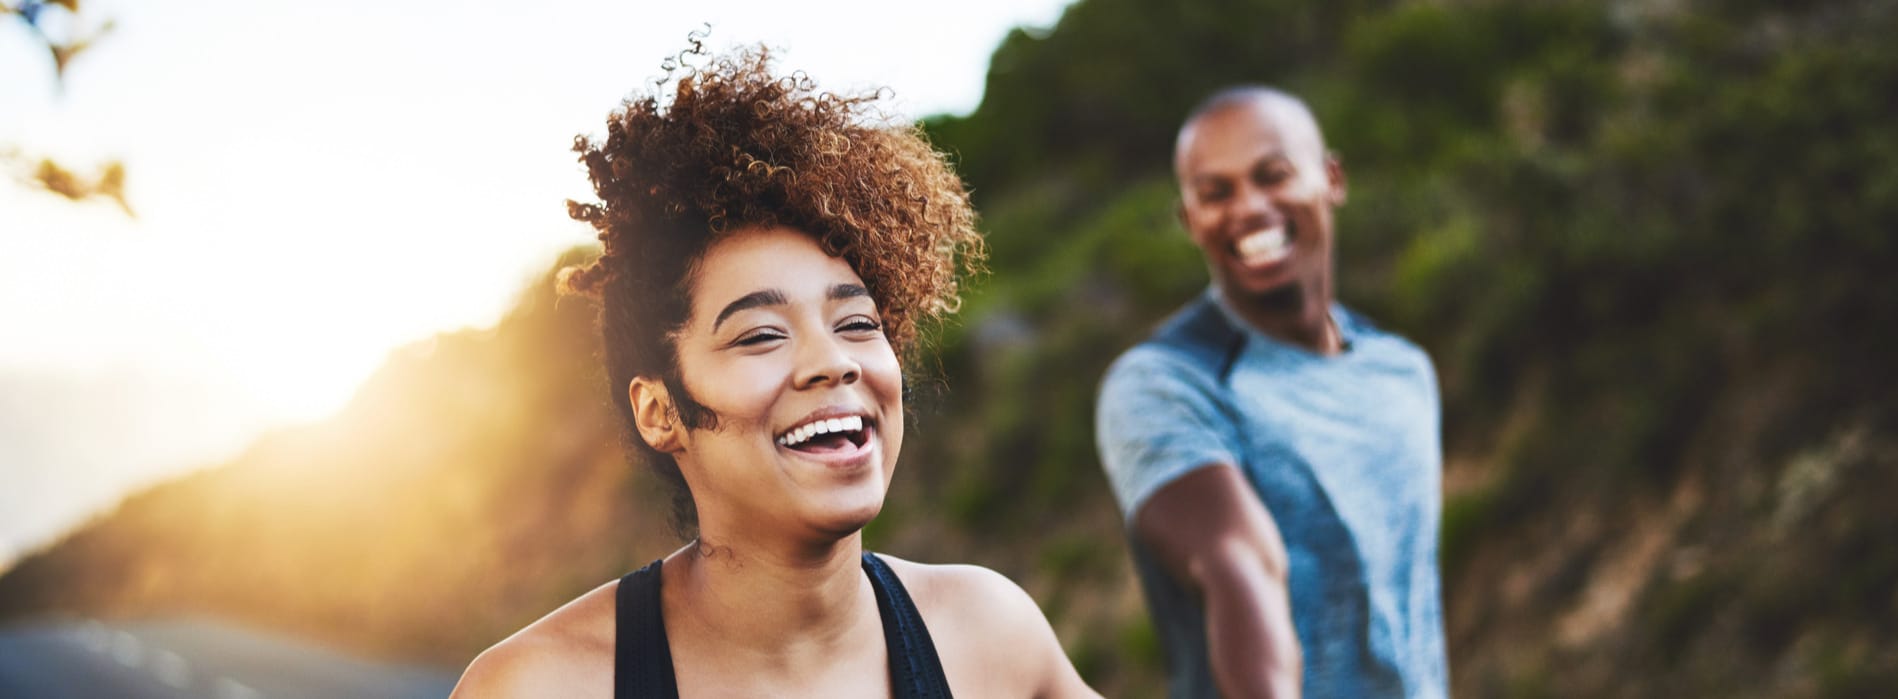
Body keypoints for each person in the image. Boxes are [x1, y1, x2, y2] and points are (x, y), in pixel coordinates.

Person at [452, 45, 1097, 699]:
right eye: (761, 335)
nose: (833, 361)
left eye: (857, 324)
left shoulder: (989, 638)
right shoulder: (540, 685)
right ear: (660, 411)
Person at [1094, 86, 1448, 698]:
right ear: (1189, 220)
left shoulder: (1404, 372)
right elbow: (1241, 566)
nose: (1249, 207)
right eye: (1216, 193)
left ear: (1331, 179)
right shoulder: (1162, 385)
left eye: (1273, 175)